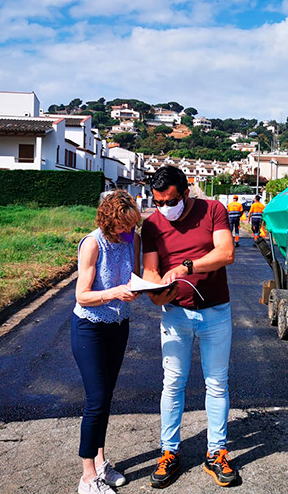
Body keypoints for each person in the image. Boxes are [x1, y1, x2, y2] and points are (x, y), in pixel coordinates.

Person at [141, 165, 239, 489]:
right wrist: (156, 292)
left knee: (217, 384)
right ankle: (169, 452)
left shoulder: (213, 210)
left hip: (216, 313)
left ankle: (217, 453)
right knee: (172, 385)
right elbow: (152, 271)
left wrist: (186, 266)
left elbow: (226, 252)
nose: (164, 208)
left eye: (170, 201)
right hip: (175, 315)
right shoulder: (152, 225)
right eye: (158, 202)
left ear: (186, 192)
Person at [72, 190, 142, 494]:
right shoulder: (91, 244)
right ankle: (87, 477)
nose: (129, 232)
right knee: (96, 400)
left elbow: (134, 276)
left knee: (106, 397)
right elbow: (82, 296)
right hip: (89, 327)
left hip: (118, 325)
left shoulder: (132, 239)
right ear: (109, 220)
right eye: (124, 226)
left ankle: (101, 464)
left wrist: (139, 287)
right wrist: (114, 292)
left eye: (132, 226)